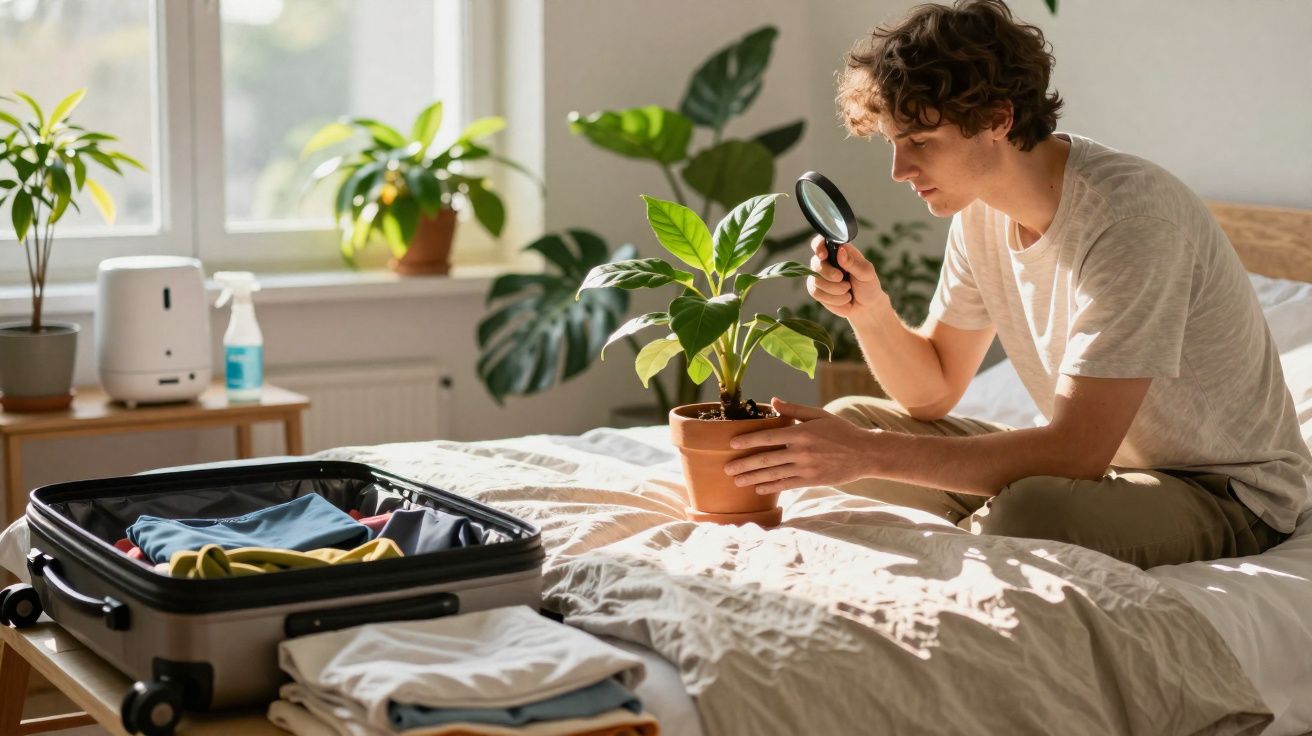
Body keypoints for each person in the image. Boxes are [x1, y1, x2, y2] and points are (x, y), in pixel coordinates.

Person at [723, 0, 1310, 568]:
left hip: (1223, 492)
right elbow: (932, 393)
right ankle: (988, 512)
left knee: (1028, 506)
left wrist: (866, 456)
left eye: (921, 143)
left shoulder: (1132, 222)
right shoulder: (980, 210)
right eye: (895, 144)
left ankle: (986, 527)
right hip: (1105, 473)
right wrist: (870, 310)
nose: (899, 171)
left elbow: (1075, 454)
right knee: (854, 416)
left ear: (998, 120)